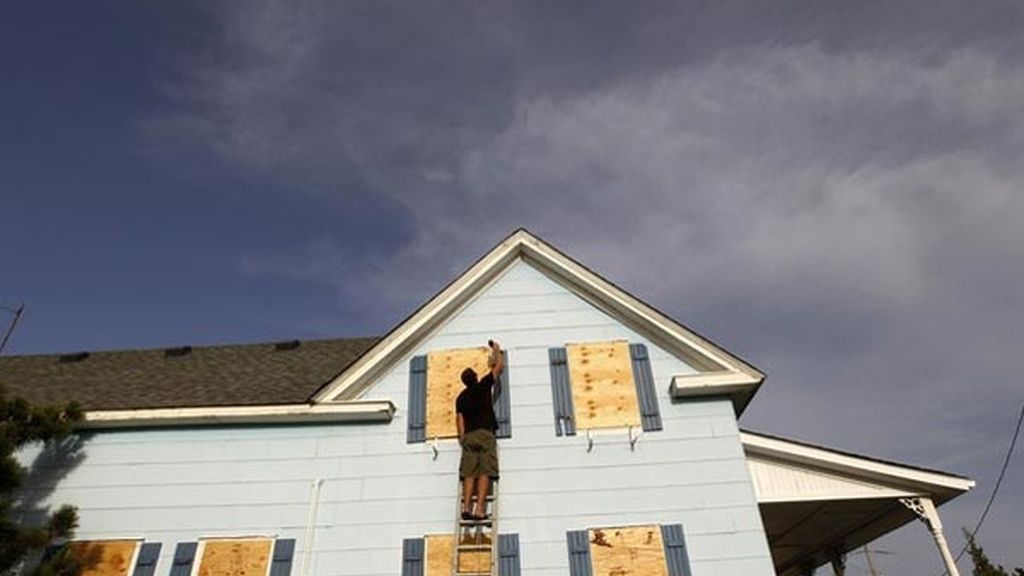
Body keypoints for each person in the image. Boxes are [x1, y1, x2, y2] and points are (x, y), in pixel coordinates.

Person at [456, 339, 504, 521]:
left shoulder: (460, 397)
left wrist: (463, 438)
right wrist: (497, 350)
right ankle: (480, 509)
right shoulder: (483, 385)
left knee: (469, 473)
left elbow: (459, 419)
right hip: (484, 433)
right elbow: (498, 367)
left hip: (469, 436)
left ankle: (467, 506)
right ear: (475, 377)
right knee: (485, 471)